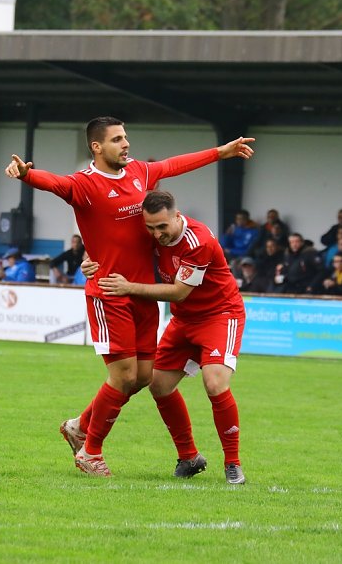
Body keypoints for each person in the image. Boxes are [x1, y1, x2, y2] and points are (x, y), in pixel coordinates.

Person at [5, 115, 254, 477]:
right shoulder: (85, 184)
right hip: (111, 293)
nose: (126, 144)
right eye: (118, 139)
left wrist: (221, 152)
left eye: (125, 137)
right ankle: (91, 451)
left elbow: (173, 165)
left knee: (141, 378)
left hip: (143, 295)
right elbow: (55, 184)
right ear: (97, 146)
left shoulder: (139, 172)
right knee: (123, 376)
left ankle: (79, 426)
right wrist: (27, 175)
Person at [82, 190, 248, 484]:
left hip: (220, 315)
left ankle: (233, 463)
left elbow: (179, 292)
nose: (156, 234)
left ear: (177, 215)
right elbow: (112, 244)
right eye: (150, 227)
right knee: (157, 385)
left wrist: (128, 287)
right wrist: (90, 261)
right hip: (183, 320)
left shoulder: (199, 241)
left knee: (215, 383)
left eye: (162, 227)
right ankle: (188, 457)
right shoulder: (150, 233)